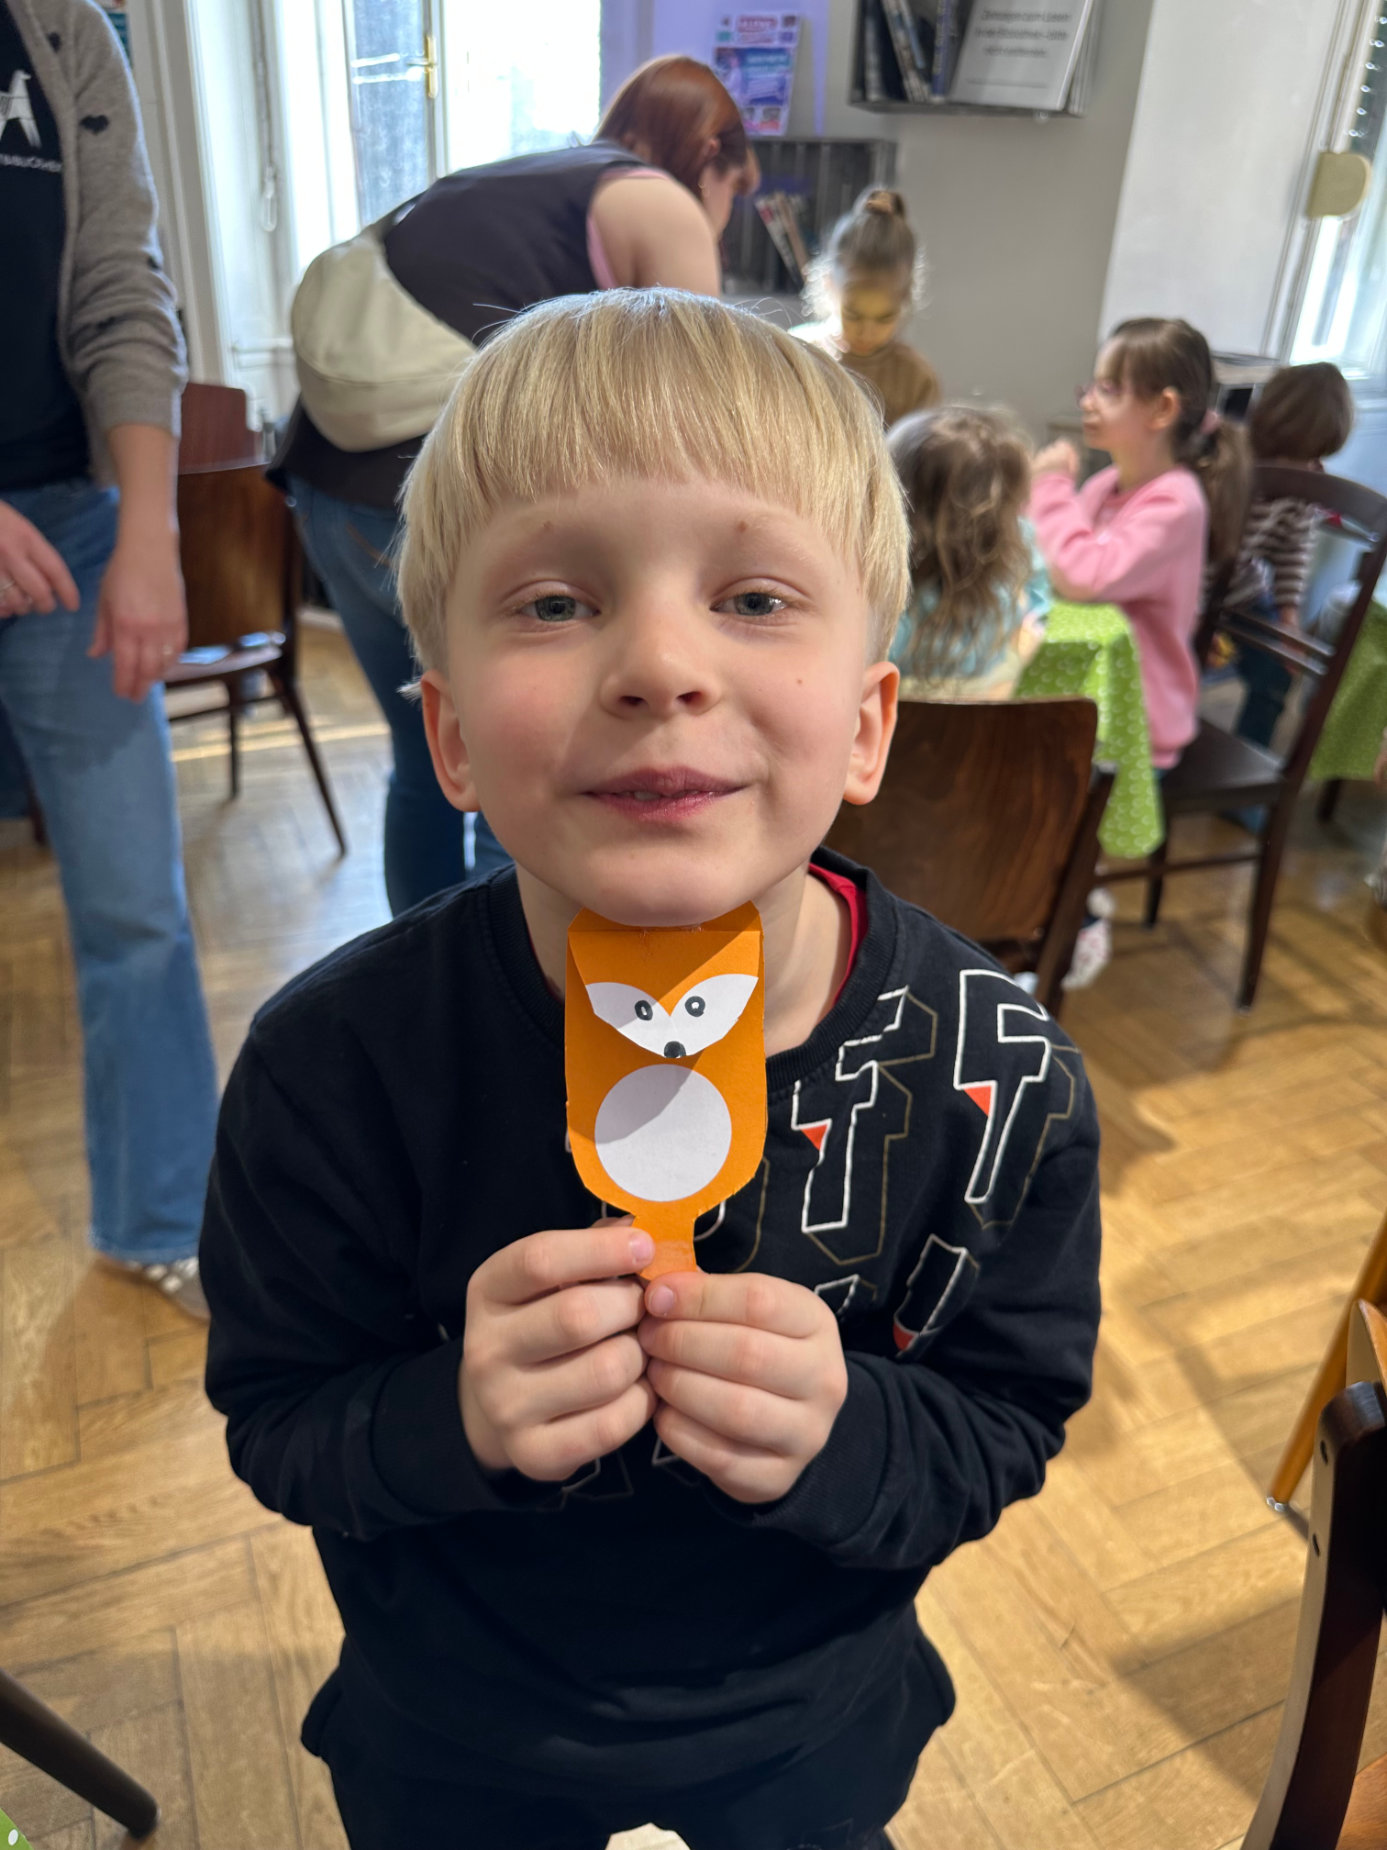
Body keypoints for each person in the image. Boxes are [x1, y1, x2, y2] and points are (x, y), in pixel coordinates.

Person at [201, 290, 1102, 1850]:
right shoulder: (331, 1069)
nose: (659, 663)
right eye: (555, 601)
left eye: (752, 596)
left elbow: (1006, 1416)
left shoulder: (998, 1075)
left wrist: (848, 1430)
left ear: (867, 724)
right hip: (455, 1725)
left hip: (809, 1723)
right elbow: (279, 1417)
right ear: (449, 737)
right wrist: (449, 1413)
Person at [274, 55, 760, 916]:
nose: (721, 219)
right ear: (711, 154)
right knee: (530, 774)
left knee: (428, 760)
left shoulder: (526, 178)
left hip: (325, 489)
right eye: (735, 193)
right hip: (434, 506)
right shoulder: (658, 203)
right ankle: (521, 989)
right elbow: (702, 426)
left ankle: (425, 975)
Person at [0, 0, 217, 1318]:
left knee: (138, 904)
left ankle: (163, 1216)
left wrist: (149, 530)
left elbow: (121, 288)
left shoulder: (65, 29)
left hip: (72, 525)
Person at [1215, 361, 1354, 750]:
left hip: (1242, 593)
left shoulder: (1307, 481)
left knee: (1277, 670)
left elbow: (1294, 550)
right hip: (1188, 590)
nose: (1308, 467)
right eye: (1301, 454)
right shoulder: (1230, 459)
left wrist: (1289, 616)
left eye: (1316, 456)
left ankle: (1246, 755)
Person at [887, 406, 1051, 700]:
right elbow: (1038, 608)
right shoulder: (1019, 550)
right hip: (988, 712)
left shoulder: (879, 605)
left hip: (890, 719)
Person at [792, 189, 940, 430]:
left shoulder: (916, 379)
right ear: (828, 284)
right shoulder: (798, 351)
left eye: (884, 318)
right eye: (852, 314)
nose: (866, 331)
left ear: (906, 298)